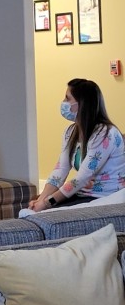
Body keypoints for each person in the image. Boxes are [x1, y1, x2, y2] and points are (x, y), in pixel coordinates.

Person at [28, 78, 125, 212]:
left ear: (82, 104)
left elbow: (82, 178)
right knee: (29, 212)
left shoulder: (105, 134)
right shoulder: (71, 132)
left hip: (105, 197)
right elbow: (60, 170)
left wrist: (48, 203)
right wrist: (40, 201)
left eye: (67, 99)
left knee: (47, 212)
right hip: (82, 194)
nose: (64, 103)